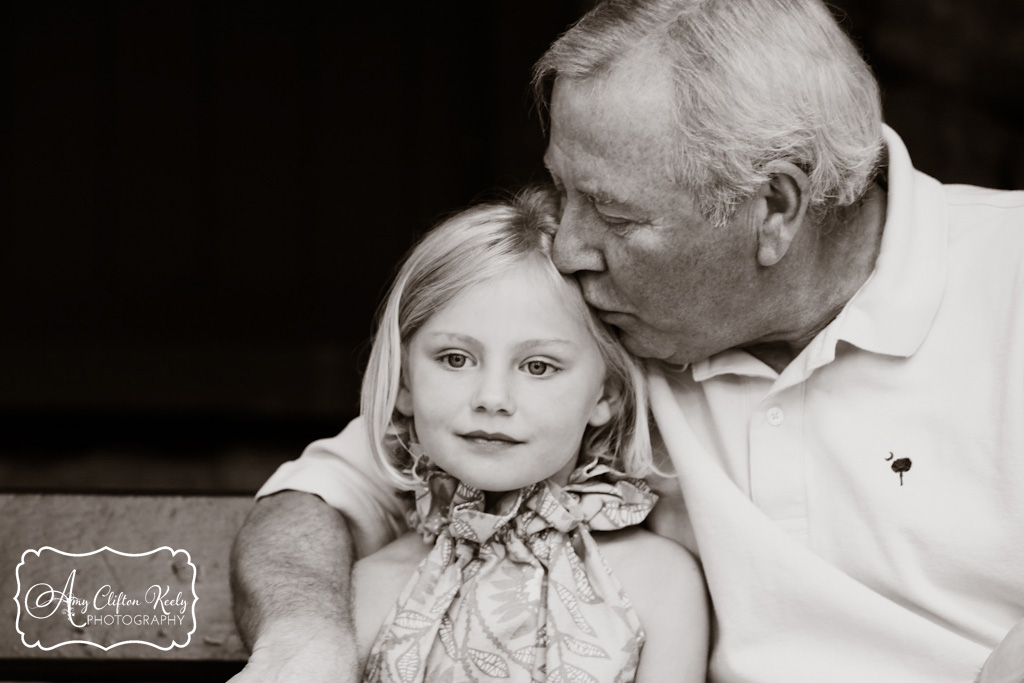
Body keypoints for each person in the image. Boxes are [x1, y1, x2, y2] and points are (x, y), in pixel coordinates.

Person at [230, 1, 1024, 681]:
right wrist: (306, 634)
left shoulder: (1007, 284)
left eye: (614, 215)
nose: (569, 248)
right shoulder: (595, 333)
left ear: (776, 206)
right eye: (562, 191)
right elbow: (323, 496)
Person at [347, 186, 707, 681]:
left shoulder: (658, 584)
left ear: (607, 395)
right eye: (456, 358)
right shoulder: (367, 589)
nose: (492, 397)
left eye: (538, 366)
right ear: (405, 381)